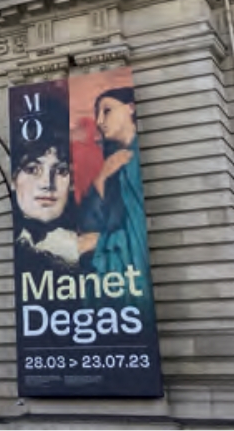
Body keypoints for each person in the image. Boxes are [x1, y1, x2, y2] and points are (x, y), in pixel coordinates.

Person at [77, 87, 154, 313]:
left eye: (107, 111)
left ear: (131, 108)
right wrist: (101, 177)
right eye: (97, 115)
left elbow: (138, 231)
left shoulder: (135, 160)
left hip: (126, 276)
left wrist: (98, 242)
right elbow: (90, 220)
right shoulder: (113, 163)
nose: (100, 121)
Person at [12, 97, 81, 275]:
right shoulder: (19, 244)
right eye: (33, 169)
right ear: (13, 179)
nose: (47, 185)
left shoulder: (93, 253)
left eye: (61, 171)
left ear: (72, 183)